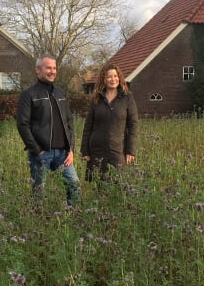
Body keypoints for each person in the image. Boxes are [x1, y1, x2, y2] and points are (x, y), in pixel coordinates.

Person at [16, 54, 80, 207]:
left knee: (74, 185)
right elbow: (22, 124)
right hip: (42, 153)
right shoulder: (28, 94)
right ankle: (37, 220)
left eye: (54, 68)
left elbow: (69, 121)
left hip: (64, 154)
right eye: (48, 68)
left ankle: (75, 216)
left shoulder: (60, 93)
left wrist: (71, 149)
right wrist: (36, 150)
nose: (52, 71)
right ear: (38, 70)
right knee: (39, 191)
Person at [81, 64, 138, 182]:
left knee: (117, 185)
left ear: (120, 78)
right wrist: (85, 150)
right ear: (104, 79)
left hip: (117, 150)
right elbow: (88, 126)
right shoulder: (96, 98)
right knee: (98, 184)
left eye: (115, 76)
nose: (113, 79)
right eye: (109, 77)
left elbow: (133, 125)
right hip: (97, 150)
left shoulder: (127, 98)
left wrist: (130, 150)